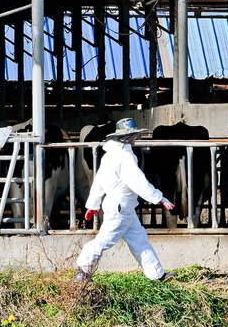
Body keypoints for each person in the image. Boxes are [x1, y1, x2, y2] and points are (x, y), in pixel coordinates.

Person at [75, 118, 175, 283]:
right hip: (121, 206)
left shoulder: (110, 156)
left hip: (122, 206)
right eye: (134, 135)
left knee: (139, 239)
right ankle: (83, 271)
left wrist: (93, 204)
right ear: (128, 137)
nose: (136, 138)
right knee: (104, 240)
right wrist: (159, 198)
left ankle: (157, 275)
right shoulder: (125, 157)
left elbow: (99, 181)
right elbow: (138, 182)